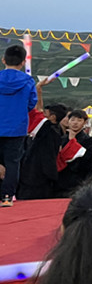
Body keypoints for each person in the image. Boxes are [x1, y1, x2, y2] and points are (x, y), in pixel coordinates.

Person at [0, 45, 42, 205]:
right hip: (17, 128)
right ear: (23, 62)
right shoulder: (28, 81)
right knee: (12, 163)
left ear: (3, 60)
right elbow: (31, 103)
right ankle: (7, 197)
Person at [55, 109, 92, 196]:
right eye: (73, 120)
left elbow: (85, 160)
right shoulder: (61, 139)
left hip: (80, 181)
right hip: (60, 181)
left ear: (85, 122)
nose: (75, 123)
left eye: (79, 120)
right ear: (68, 121)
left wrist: (73, 142)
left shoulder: (89, 141)